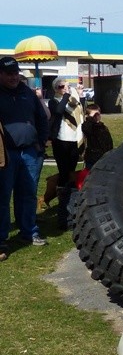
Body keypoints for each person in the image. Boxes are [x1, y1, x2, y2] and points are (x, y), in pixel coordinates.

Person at [0, 56, 50, 258]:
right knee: (2, 197)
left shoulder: (27, 93)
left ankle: (28, 232)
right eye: (9, 74)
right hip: (6, 155)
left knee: (28, 194)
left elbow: (42, 118)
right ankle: (2, 238)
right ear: (0, 74)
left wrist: (42, 142)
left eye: (16, 73)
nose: (14, 77)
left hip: (30, 152)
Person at [48, 78, 85, 229]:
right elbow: (58, 111)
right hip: (61, 140)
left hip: (74, 139)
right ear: (56, 88)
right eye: (61, 86)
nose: (65, 89)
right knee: (63, 174)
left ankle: (73, 207)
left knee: (71, 173)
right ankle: (63, 214)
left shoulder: (74, 100)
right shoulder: (54, 101)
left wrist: (81, 96)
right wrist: (65, 96)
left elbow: (83, 112)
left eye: (67, 86)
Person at [81, 103, 113, 168]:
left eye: (98, 114)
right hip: (92, 157)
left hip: (104, 156)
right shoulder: (88, 126)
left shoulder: (103, 127)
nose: (96, 117)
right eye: (94, 115)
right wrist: (90, 119)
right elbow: (87, 129)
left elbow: (108, 142)